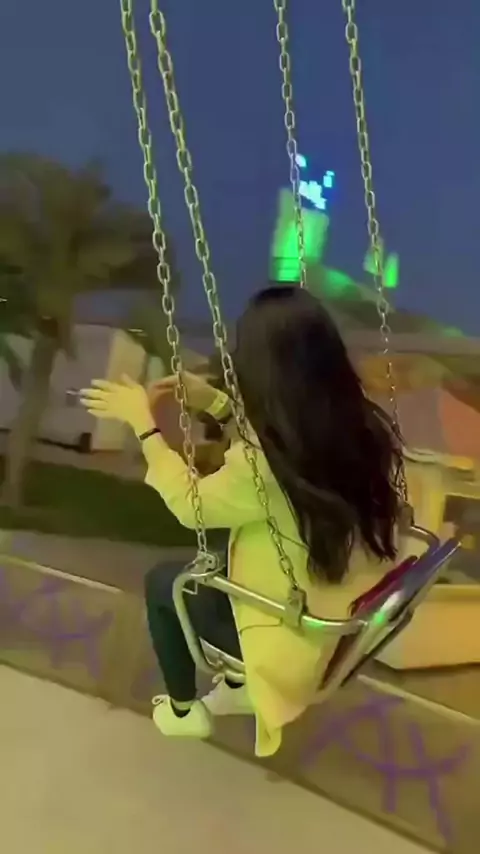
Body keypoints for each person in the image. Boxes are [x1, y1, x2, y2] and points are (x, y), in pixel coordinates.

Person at [80, 285, 404, 757]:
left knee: (167, 583)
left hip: (288, 639)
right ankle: (236, 686)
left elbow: (192, 506)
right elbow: (280, 438)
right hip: (326, 608)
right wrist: (216, 404)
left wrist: (144, 425)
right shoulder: (359, 427)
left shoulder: (264, 463)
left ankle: (184, 711)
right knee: (221, 557)